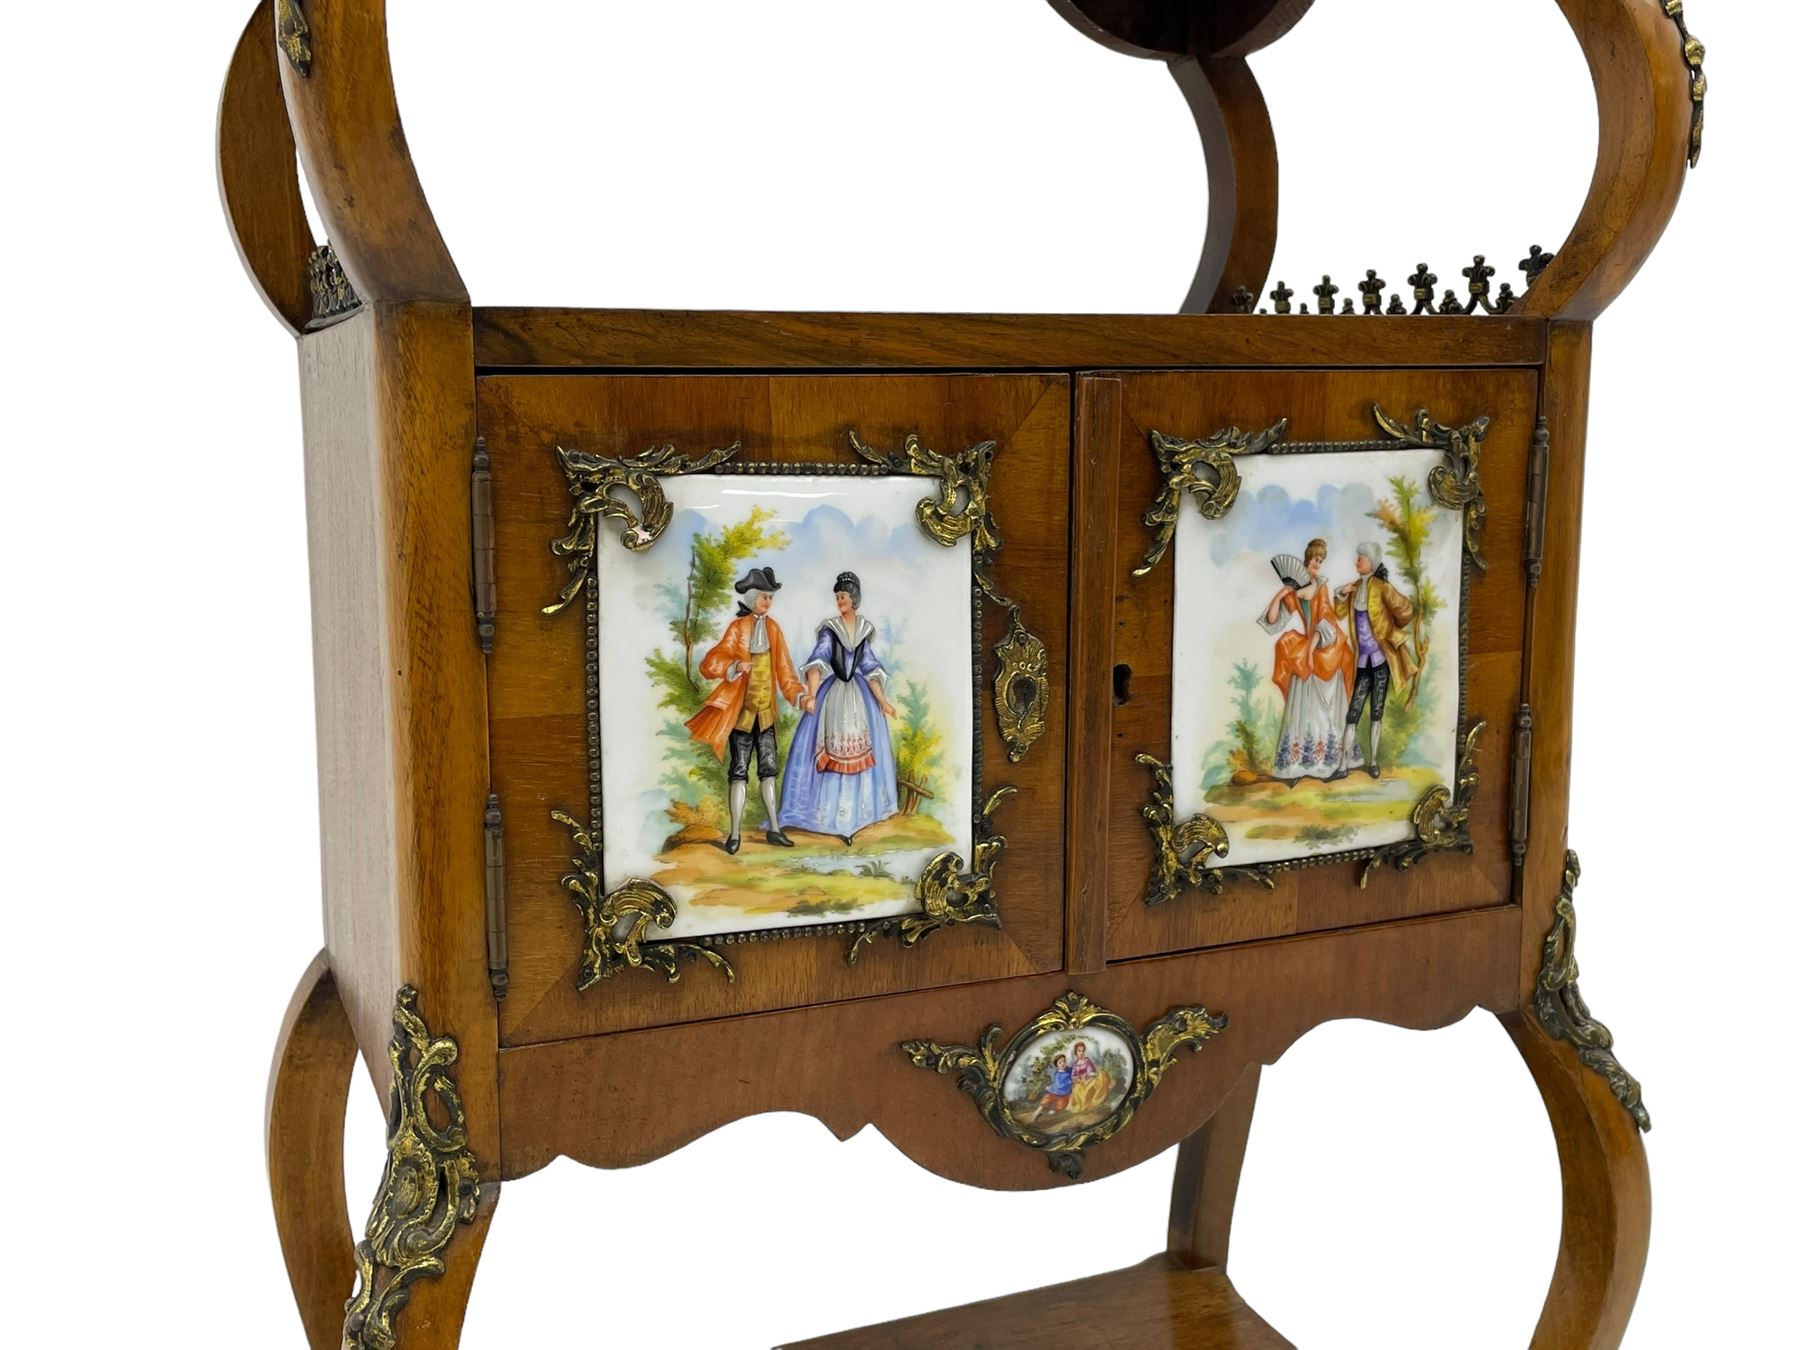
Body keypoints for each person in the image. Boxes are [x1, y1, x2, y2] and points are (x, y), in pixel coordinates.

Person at [684, 566, 812, 853]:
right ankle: (734, 834)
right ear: (753, 597)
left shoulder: (774, 629)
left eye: (771, 597)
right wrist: (733, 666)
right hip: (741, 717)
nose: (768, 602)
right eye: (764, 596)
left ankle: (775, 829)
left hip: (765, 716)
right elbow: (709, 664)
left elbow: (785, 672)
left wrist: (799, 697)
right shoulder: (737, 629)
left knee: (769, 771)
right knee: (738, 772)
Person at [779, 571, 900, 845]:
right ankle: (826, 819)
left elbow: (870, 668)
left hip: (859, 701)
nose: (838, 601)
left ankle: (857, 818)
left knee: (861, 750)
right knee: (828, 751)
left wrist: (883, 703)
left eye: (842, 596)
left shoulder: (864, 630)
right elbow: (817, 661)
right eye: (836, 597)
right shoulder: (829, 629)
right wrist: (810, 696)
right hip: (832, 697)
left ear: (853, 599)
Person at [1259, 538, 1356, 783]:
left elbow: (1325, 621)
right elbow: (1272, 620)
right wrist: (1281, 593)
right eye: (1316, 559)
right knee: (1287, 648)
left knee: (1324, 699)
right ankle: (1296, 766)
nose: (1318, 564)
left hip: (1326, 644)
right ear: (1307, 559)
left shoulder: (1321, 587)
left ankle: (1331, 763)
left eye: (1321, 561)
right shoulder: (1296, 588)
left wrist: (1312, 650)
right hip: (1310, 644)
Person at [1330, 542, 1418, 780]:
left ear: (1371, 561)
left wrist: (1392, 630)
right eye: (1357, 558)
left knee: (1376, 711)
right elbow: (1339, 613)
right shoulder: (1355, 586)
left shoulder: (1382, 587)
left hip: (1380, 661)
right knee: (1353, 712)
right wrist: (1340, 593)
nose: (1356, 562)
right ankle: (1342, 765)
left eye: (1360, 558)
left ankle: (1373, 762)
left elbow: (1406, 611)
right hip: (1362, 662)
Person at [1068, 1040, 1113, 1114]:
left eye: (1083, 1051)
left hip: (1088, 1080)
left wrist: (1087, 1077)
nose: (1081, 1053)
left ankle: (1095, 1100)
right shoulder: (1075, 1064)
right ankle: (1083, 1105)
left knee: (1096, 1079)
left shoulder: (1087, 1061)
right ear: (1076, 1052)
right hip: (1080, 1083)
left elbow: (1091, 1071)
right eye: (1079, 1051)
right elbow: (1073, 1075)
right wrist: (1078, 1079)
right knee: (1077, 1088)